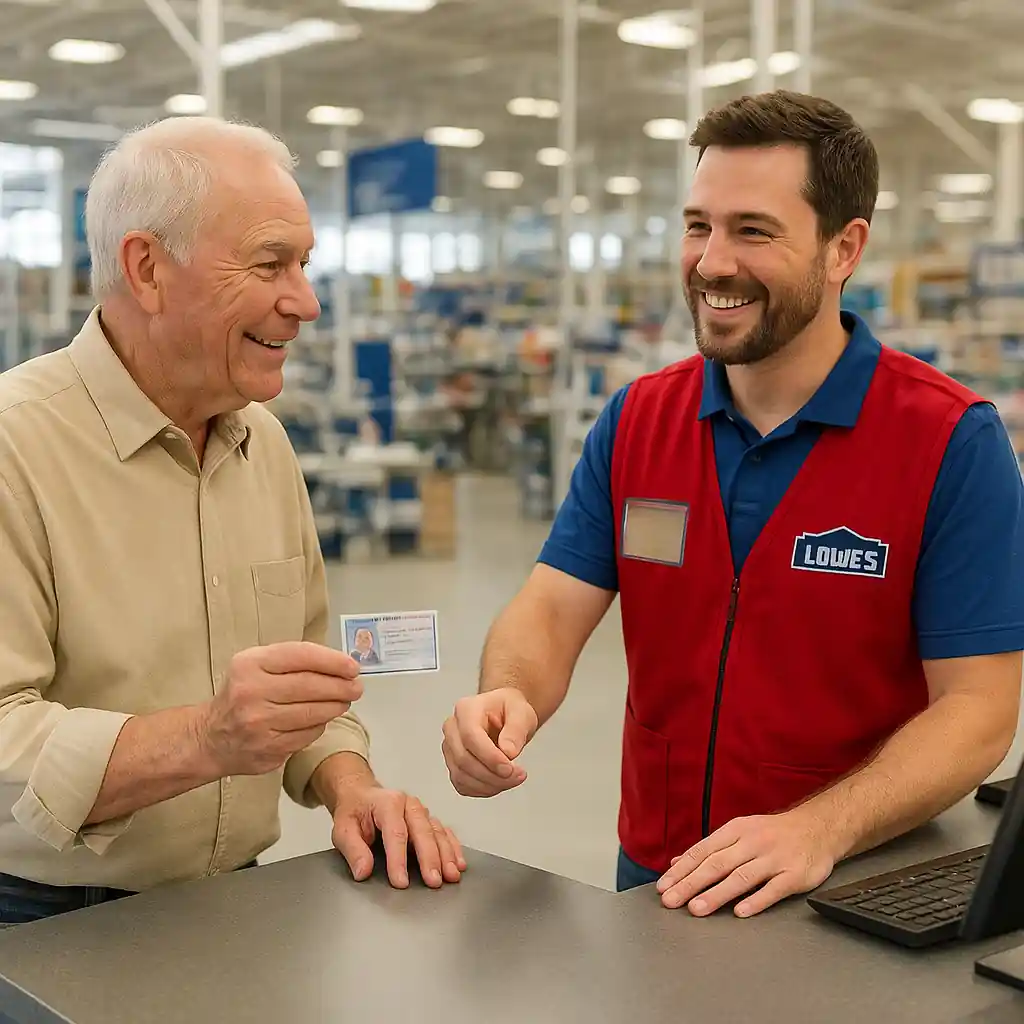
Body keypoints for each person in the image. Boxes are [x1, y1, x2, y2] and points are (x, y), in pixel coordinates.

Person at [442, 90, 1024, 919]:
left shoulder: (947, 442)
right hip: (656, 874)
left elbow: (978, 710)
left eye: (753, 230)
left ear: (842, 248)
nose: (712, 262)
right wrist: (509, 695)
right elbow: (550, 606)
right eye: (698, 225)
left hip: (846, 888)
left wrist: (818, 829)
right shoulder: (639, 420)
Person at [0, 116, 464, 927]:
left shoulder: (264, 443)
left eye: (305, 263)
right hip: (45, 922)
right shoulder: (17, 447)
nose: (307, 302)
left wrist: (349, 786)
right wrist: (206, 740)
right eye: (269, 264)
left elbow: (305, 692)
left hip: (237, 903)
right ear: (146, 269)